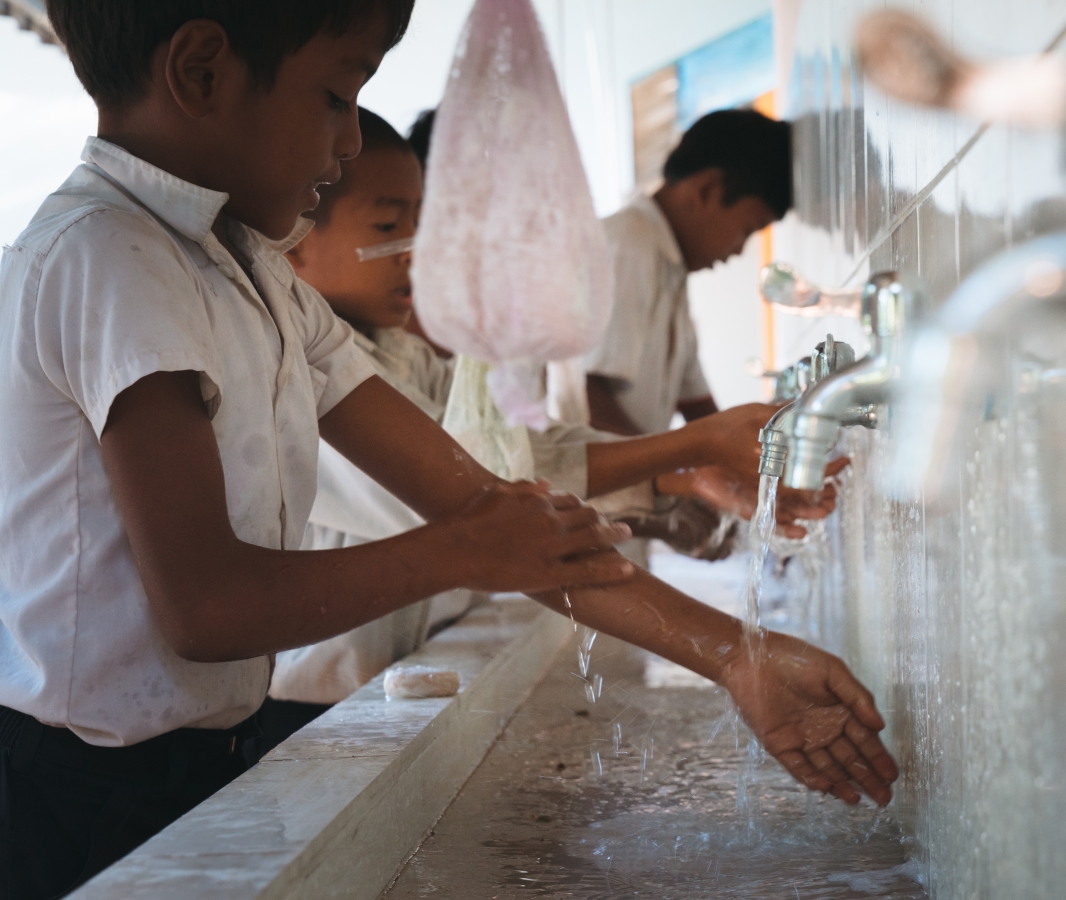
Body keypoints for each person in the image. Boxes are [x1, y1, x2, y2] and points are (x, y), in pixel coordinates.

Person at [0, 4, 897, 896]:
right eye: (335, 95)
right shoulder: (109, 257)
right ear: (200, 72)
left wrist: (736, 655)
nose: (349, 138)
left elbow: (486, 504)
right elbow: (207, 606)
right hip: (78, 790)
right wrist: (467, 547)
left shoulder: (258, 278)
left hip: (194, 762)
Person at [252, 107, 838, 752]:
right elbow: (484, 492)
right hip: (311, 699)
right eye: (395, 227)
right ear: (291, 236)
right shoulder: (293, 364)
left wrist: (691, 471)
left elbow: (502, 465)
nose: (420, 253)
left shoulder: (394, 352)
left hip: (386, 670)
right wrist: (688, 464)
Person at [585, 109, 791, 438]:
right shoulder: (629, 245)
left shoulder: (669, 267)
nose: (738, 251)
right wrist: (672, 470)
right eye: (747, 229)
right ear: (706, 189)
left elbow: (699, 408)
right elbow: (585, 398)